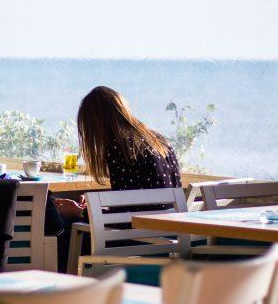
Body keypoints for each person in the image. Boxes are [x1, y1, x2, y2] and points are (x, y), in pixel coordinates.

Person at [47, 86, 183, 271]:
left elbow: (125, 218)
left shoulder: (120, 148)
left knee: (65, 229)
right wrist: (95, 209)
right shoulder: (159, 141)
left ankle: (65, 289)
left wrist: (81, 213)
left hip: (139, 239)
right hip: (169, 235)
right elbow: (135, 203)